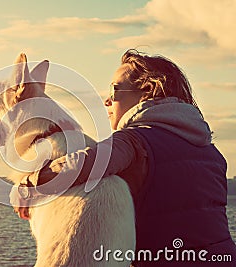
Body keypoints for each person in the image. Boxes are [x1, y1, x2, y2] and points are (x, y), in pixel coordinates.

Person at [13, 49, 236, 266]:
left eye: (114, 91)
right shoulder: (211, 152)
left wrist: (28, 185)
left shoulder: (134, 141)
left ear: (147, 91)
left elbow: (83, 164)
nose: (106, 101)